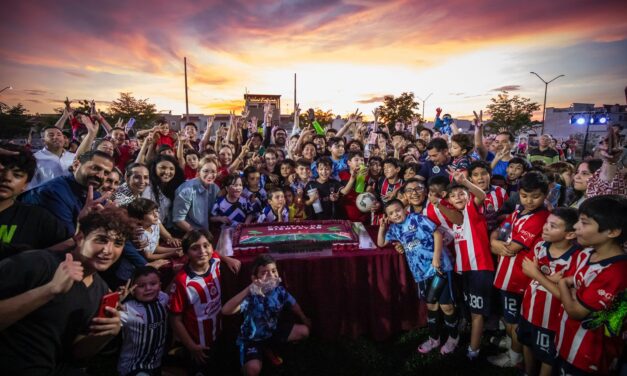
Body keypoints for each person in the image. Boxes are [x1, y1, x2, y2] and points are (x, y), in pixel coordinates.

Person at [0, 208, 131, 374]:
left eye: (118, 243)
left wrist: (105, 335)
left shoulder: (102, 291)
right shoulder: (37, 263)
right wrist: (49, 290)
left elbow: (76, 353)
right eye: (101, 240)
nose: (108, 251)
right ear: (80, 238)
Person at [554, 195, 627, 375]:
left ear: (613, 232)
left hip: (589, 355)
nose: (576, 227)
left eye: (584, 223)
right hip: (568, 340)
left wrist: (563, 283)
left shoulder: (616, 272)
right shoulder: (588, 253)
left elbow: (576, 311)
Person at [378, 199, 458, 355]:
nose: (396, 215)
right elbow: (381, 243)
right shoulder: (394, 229)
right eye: (391, 213)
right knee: (431, 306)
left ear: (404, 209)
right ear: (387, 216)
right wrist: (382, 227)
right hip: (420, 274)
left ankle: (454, 337)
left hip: (438, 268)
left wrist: (436, 258)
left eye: (398, 210)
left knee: (446, 306)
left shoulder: (418, 218)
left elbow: (437, 235)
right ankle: (434, 338)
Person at [489, 171, 551, 368]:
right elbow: (500, 233)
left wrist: (496, 244)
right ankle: (512, 345)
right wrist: (494, 241)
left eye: (535, 196)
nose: (529, 201)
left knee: (514, 322)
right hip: (506, 274)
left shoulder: (540, 218)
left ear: (546, 194)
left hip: (518, 278)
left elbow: (511, 248)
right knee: (509, 319)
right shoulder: (518, 212)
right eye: (525, 196)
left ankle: (514, 358)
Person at [222, 254, 311, 376]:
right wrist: (249, 289)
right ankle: (249, 362)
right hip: (252, 339)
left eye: (274, 271)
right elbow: (226, 310)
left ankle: (271, 349)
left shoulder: (279, 291)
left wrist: (303, 317)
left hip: (272, 331)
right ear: (255, 278)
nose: (271, 275)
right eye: (264, 272)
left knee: (304, 331)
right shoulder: (251, 296)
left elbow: (293, 304)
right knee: (253, 370)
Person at [439, 168, 494, 361]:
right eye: (453, 196)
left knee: (477, 313)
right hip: (462, 270)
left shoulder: (472, 210)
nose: (457, 197)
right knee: (469, 310)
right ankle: (472, 339)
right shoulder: (455, 219)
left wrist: (466, 183)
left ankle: (473, 351)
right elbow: (442, 202)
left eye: (461, 193)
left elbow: (482, 194)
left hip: (479, 269)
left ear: (468, 196)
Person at [168, 229, 240, 376]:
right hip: (199, 343)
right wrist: (191, 346)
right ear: (186, 253)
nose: (202, 251)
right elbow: (175, 320)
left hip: (218, 333)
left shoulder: (214, 261)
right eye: (195, 248)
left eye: (206, 245)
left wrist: (228, 259)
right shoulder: (183, 282)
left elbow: (215, 254)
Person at [519, 208, 581, 376]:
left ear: (569, 235)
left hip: (551, 320)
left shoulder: (576, 258)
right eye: (546, 223)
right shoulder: (540, 245)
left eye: (552, 226)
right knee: (527, 343)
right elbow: (526, 268)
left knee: (548, 357)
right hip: (528, 309)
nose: (545, 227)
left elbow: (564, 295)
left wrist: (538, 275)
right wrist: (551, 280)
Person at [20, 150, 114, 235]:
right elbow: (66, 239)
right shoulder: (52, 192)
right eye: (95, 168)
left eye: (106, 173)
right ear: (76, 165)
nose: (101, 176)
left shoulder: (95, 195)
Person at [0, 144, 69, 259]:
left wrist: (86, 225)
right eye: (2, 170)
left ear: (25, 185)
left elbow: (69, 248)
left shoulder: (37, 218)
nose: (7, 178)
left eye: (17, 175)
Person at [117, 266, 169, 376]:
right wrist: (115, 303)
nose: (148, 288)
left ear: (160, 285)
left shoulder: (164, 299)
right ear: (132, 290)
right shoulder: (127, 309)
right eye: (141, 286)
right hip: (133, 365)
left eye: (153, 284)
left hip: (156, 363)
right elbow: (108, 320)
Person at [172, 157, 220, 233]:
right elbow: (178, 220)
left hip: (207, 231)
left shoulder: (215, 188)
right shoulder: (187, 190)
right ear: (198, 172)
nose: (210, 175)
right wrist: (198, 235)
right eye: (206, 171)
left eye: (213, 172)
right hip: (187, 233)